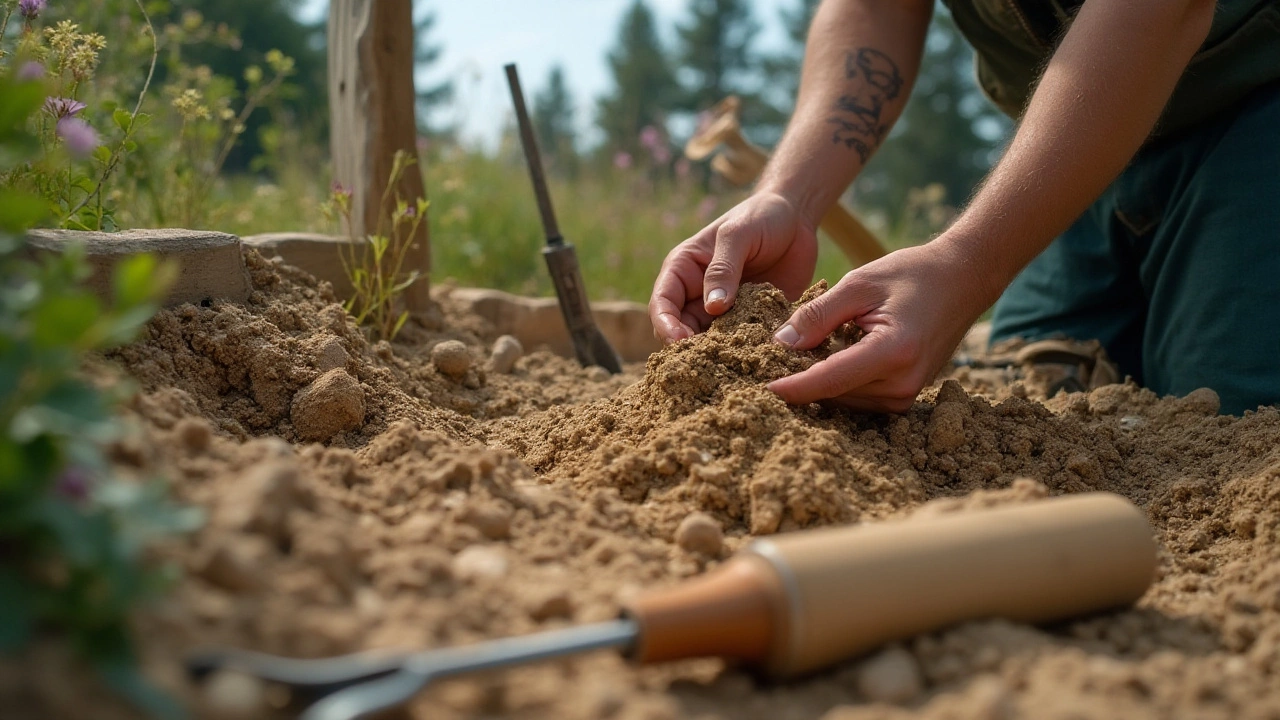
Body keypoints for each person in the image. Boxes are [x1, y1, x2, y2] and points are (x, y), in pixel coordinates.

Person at [647, 0, 1280, 415]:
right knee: (1042, 389)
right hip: (1070, 146)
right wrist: (790, 195)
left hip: (1254, 109)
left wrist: (969, 261)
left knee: (1234, 417)